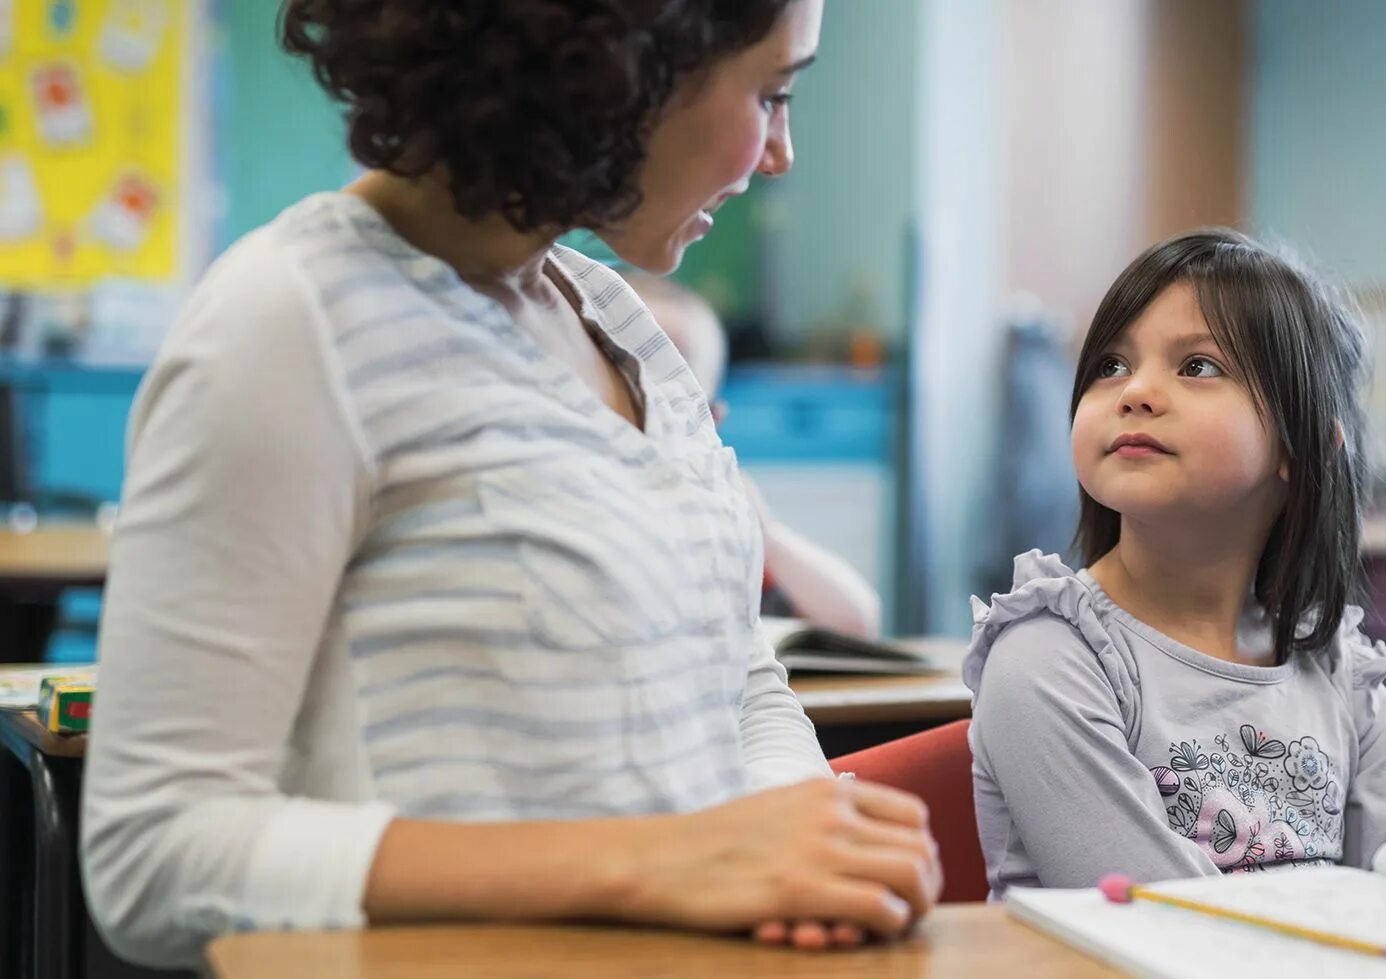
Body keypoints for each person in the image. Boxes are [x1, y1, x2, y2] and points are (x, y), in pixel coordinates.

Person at [80, 0, 939, 968]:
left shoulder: (619, 321)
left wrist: (800, 834)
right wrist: (655, 863)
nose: (780, 152)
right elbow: (151, 852)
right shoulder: (288, 323)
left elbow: (734, 674)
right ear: (627, 62)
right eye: (772, 93)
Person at [965, 229, 1386, 899]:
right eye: (1112, 365)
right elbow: (1159, 923)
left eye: (1198, 366)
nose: (1136, 392)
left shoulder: (1342, 676)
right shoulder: (1051, 658)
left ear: (1301, 445)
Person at [626, 272, 883, 638]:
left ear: (711, 419)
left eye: (673, 401)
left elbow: (856, 622)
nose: (645, 413)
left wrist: (767, 535)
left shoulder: (719, 510)